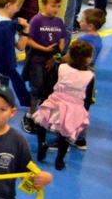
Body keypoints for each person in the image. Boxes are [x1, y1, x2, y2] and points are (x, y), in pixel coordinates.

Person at [32, 39, 95, 170]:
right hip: (74, 108)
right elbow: (88, 98)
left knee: (42, 122)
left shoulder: (61, 68)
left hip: (56, 101)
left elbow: (50, 85)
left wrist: (45, 99)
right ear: (87, 59)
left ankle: (42, 143)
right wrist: (84, 113)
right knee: (65, 133)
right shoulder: (89, 76)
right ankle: (59, 160)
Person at [23, 0, 68, 127]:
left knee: (49, 89)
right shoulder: (36, 20)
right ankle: (30, 114)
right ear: (44, 5)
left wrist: (55, 57)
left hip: (52, 61)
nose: (56, 9)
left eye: (58, 6)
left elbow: (62, 41)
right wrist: (44, 49)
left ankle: (43, 115)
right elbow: (28, 41)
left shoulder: (59, 21)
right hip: (37, 60)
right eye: (53, 5)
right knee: (37, 87)